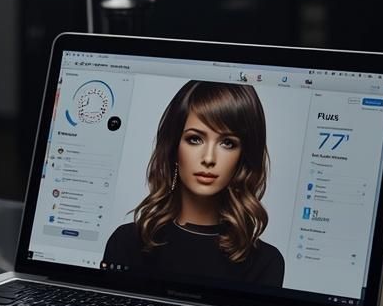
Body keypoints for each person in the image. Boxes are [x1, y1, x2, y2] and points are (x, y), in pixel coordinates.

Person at [101, 81, 284, 287]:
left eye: (227, 143)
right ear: (174, 147)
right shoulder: (127, 243)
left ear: (243, 156)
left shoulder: (265, 263)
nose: (208, 158)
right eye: (195, 139)